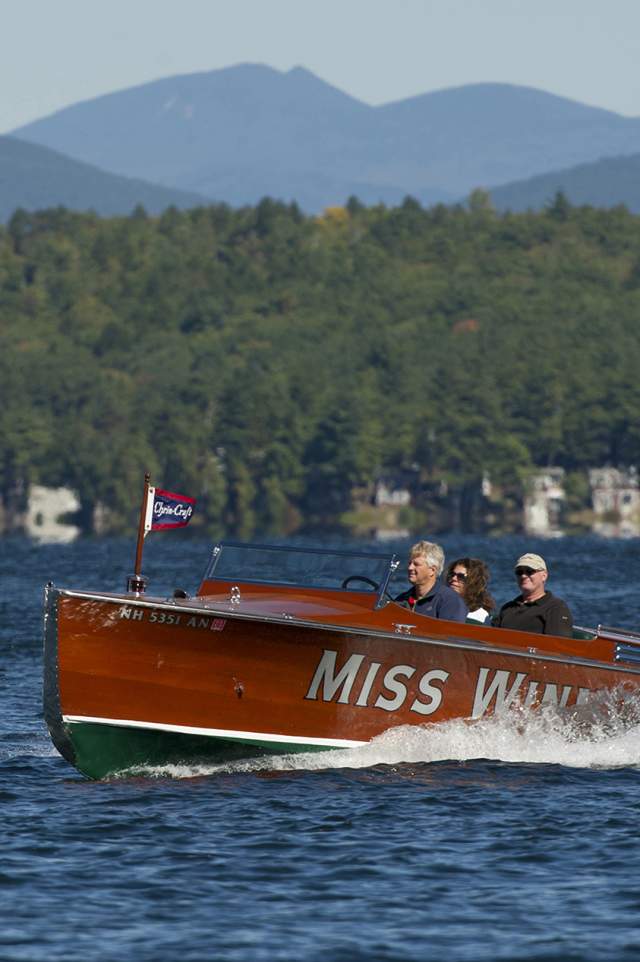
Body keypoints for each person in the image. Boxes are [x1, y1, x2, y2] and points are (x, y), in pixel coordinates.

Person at [492, 552, 573, 636]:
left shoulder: (556, 608)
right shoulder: (507, 608)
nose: (523, 576)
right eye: (519, 572)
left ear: (544, 576)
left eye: (529, 571)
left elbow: (557, 645)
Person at [394, 540, 467, 622]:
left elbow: (451, 632)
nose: (410, 568)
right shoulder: (401, 599)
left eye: (416, 564)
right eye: (410, 563)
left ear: (432, 570)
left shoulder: (450, 601)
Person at [445, 557, 495, 623]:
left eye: (461, 576)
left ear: (474, 582)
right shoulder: (440, 604)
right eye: (452, 574)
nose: (454, 578)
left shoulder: (480, 617)